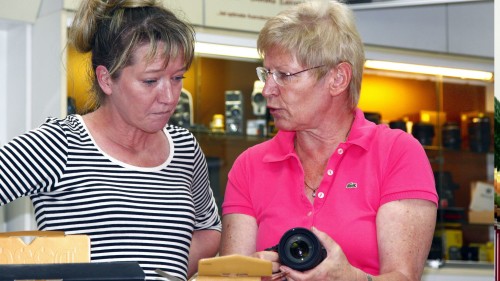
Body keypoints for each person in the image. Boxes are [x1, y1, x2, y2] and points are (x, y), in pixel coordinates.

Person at [0, 0, 221, 280]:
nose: (169, 97)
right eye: (150, 81)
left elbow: (208, 227)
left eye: (177, 78)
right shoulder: (62, 143)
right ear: (106, 79)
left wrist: (164, 274)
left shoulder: (185, 149)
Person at [219, 1, 438, 281]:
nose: (267, 89)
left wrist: (349, 278)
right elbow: (227, 276)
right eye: (266, 73)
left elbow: (403, 277)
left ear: (338, 78)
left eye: (284, 75)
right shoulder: (249, 166)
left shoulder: (397, 153)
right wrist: (248, 274)